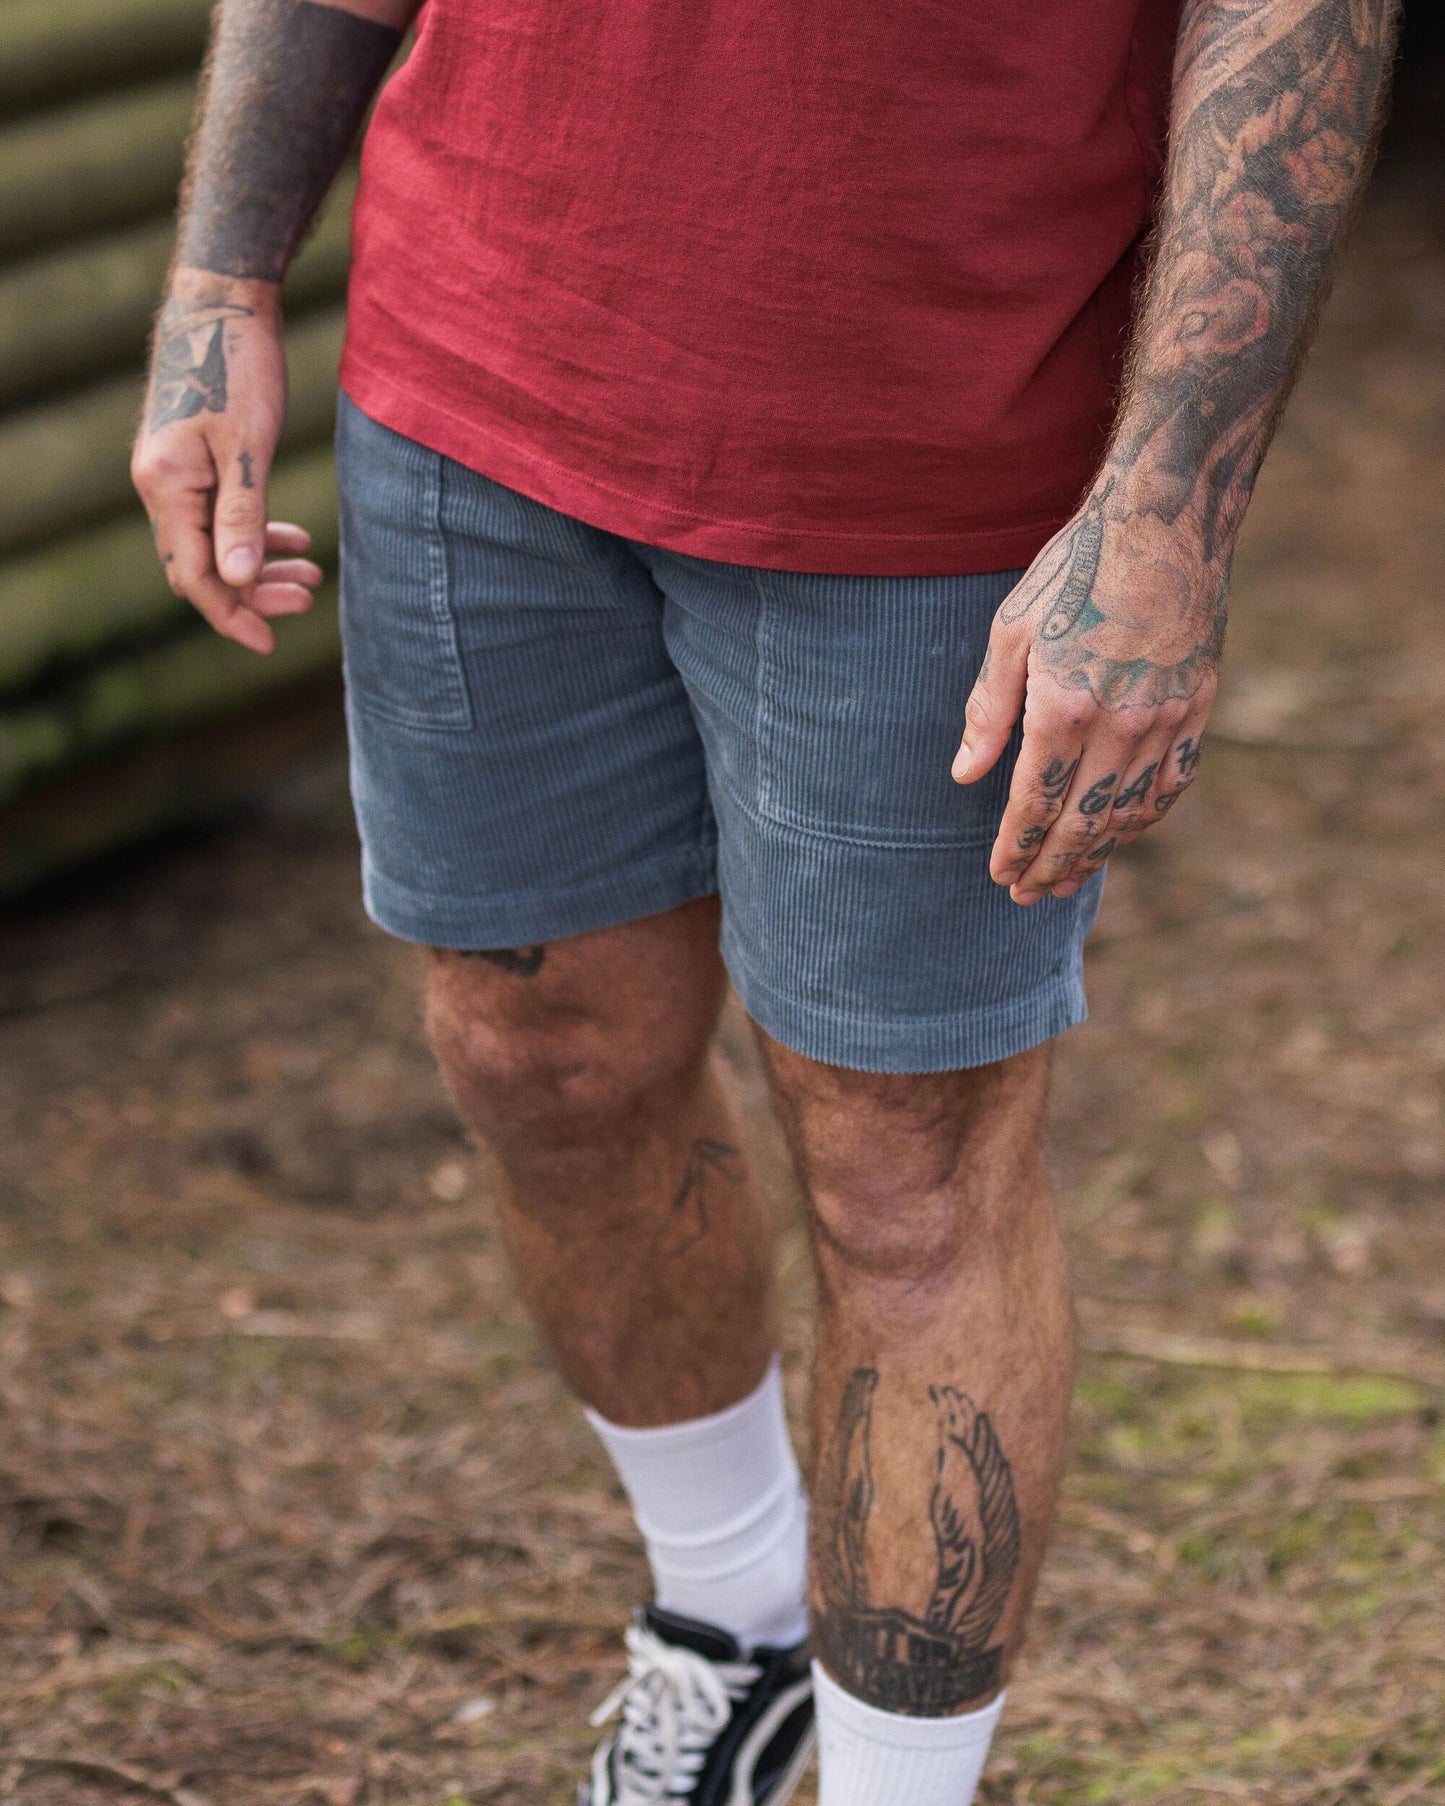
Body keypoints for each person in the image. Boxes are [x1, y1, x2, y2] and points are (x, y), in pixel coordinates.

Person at [132, 1, 1399, 1799]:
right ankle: (730, 1626)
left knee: (906, 1178)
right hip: (471, 371)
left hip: (932, 441)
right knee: (540, 1054)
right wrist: (220, 281)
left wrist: (1169, 511)